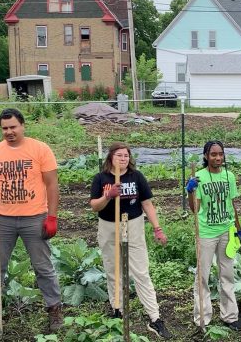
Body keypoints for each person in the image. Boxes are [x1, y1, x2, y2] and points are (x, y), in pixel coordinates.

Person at [0, 108, 63, 332]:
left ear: (22, 125)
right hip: (2, 218)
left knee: (43, 267)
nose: (9, 132)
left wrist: (52, 217)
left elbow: (52, 184)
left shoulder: (39, 149)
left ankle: (54, 309)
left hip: (34, 217)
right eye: (5, 128)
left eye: (13, 127)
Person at [90, 142, 172, 339]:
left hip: (133, 224)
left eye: (126, 156)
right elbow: (95, 206)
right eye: (119, 155)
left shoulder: (136, 177)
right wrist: (108, 196)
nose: (123, 159)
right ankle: (116, 309)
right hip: (108, 226)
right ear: (111, 157)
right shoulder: (101, 178)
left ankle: (155, 317)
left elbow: (147, 204)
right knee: (113, 269)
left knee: (141, 272)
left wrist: (157, 228)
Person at [185, 140, 241, 331]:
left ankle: (230, 316)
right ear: (206, 156)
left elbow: (232, 205)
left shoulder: (229, 176)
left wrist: (238, 229)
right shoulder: (199, 177)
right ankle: (202, 318)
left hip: (226, 232)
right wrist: (190, 191)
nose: (218, 157)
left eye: (220, 154)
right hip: (206, 233)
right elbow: (195, 209)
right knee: (202, 276)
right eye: (213, 154)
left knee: (227, 274)